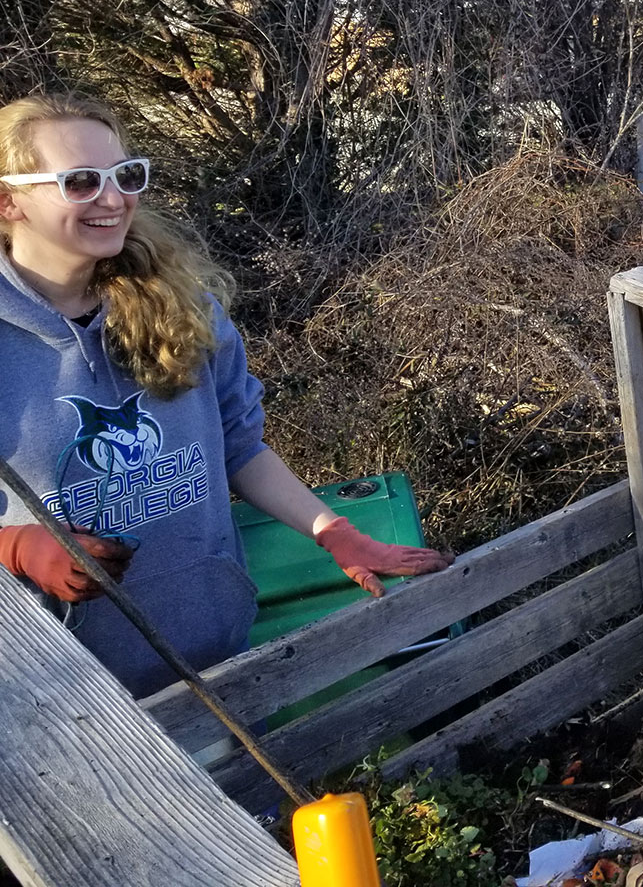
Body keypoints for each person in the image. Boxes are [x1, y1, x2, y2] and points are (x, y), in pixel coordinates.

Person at [0, 93, 453, 699]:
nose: (112, 200)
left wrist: (336, 532)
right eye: (79, 182)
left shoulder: (181, 309)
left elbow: (238, 446)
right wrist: (18, 549)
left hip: (218, 656)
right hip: (66, 698)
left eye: (124, 176)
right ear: (10, 200)